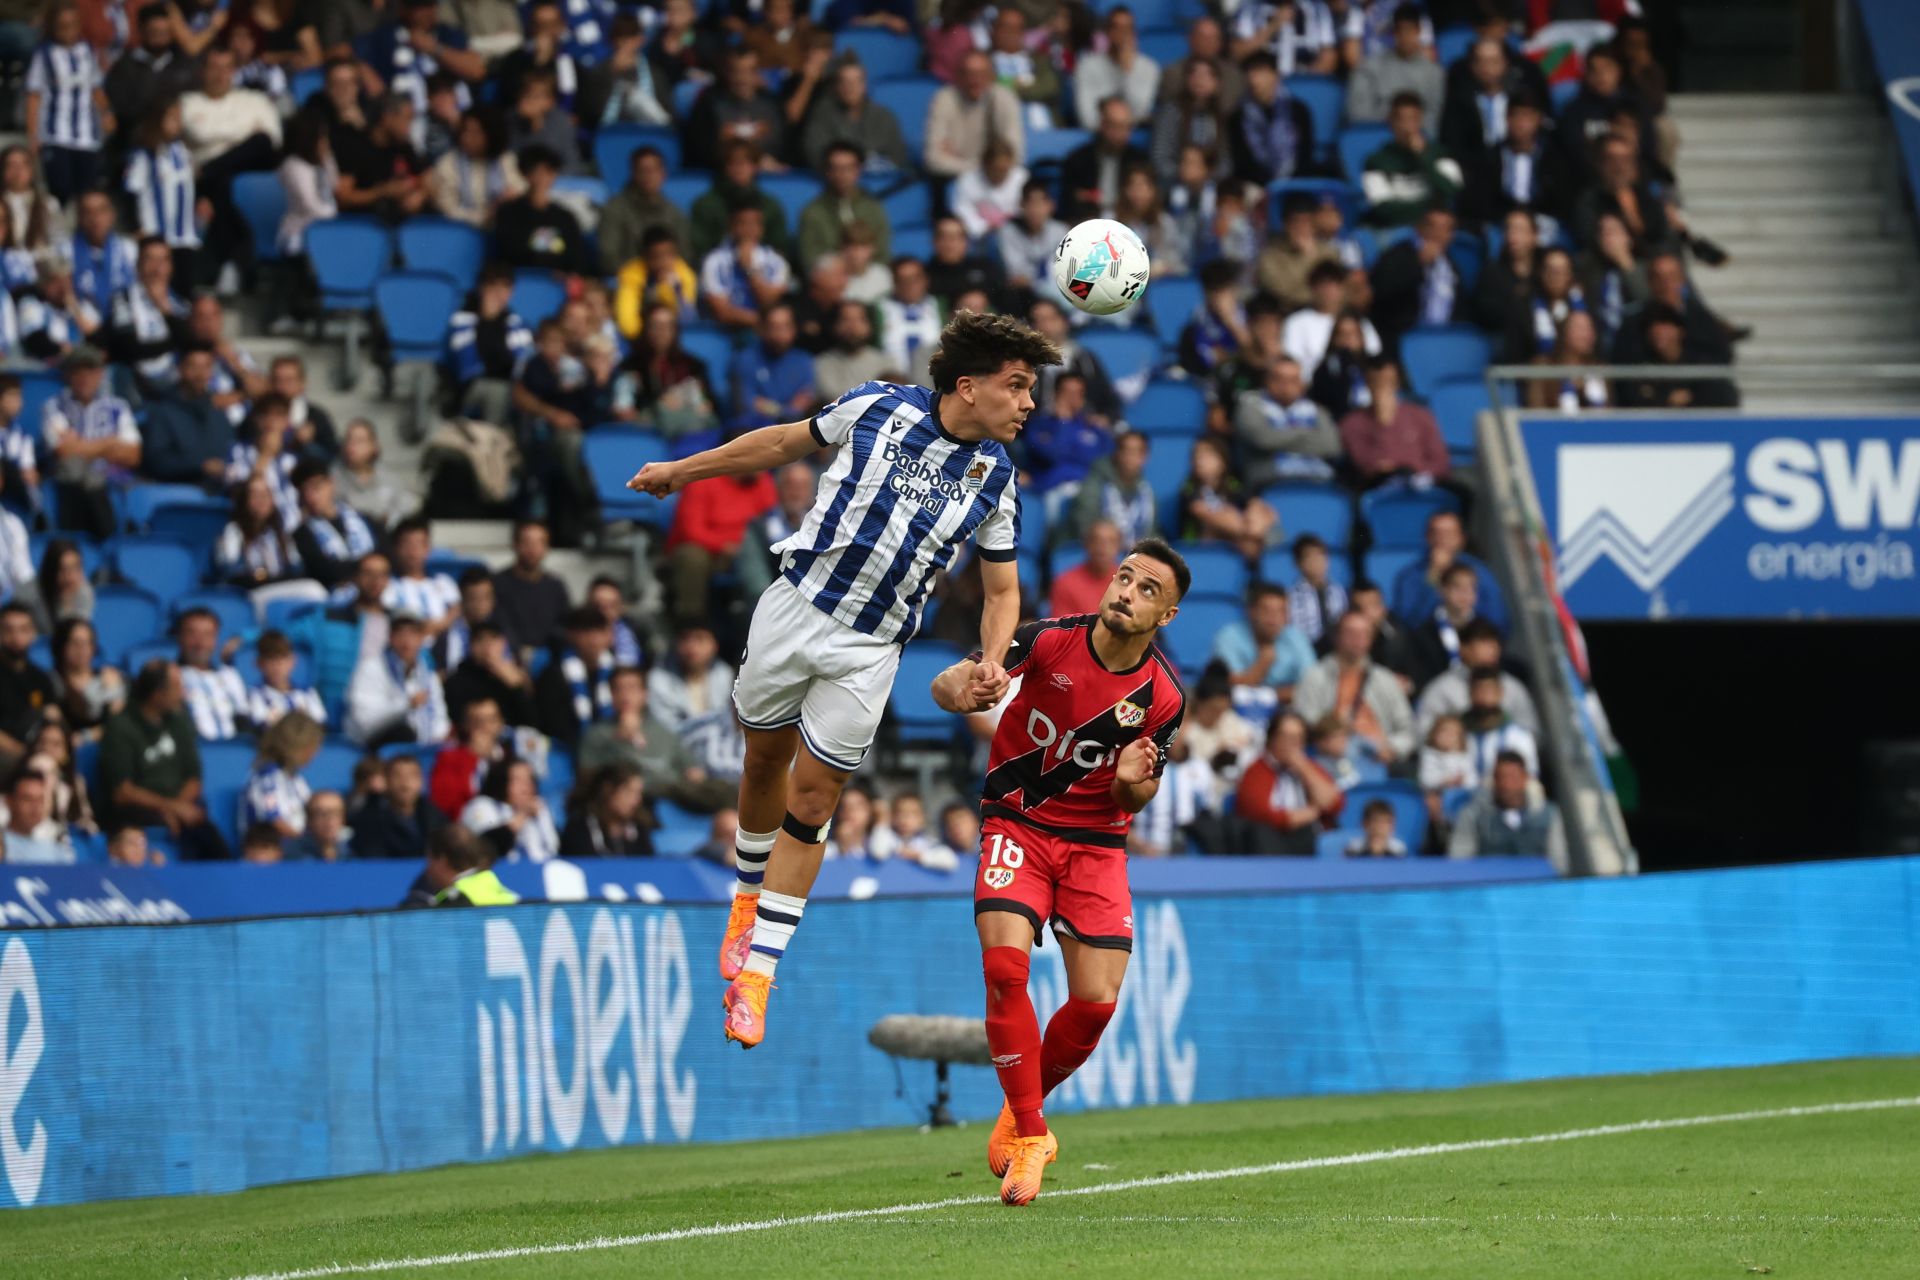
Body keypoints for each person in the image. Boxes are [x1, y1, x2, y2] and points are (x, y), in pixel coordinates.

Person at [626, 308, 1053, 1047]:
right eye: (1016, 386)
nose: (1028, 403)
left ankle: (758, 973)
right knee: (764, 759)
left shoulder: (997, 479)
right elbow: (780, 443)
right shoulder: (877, 406)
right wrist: (681, 472)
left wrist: (992, 657)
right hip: (795, 609)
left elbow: (1003, 590)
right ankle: (745, 896)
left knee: (817, 796)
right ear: (967, 385)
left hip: (873, 648)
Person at [928, 537, 1189, 1204]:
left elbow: (1138, 792)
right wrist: (960, 686)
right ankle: (1032, 1135)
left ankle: (1019, 1109)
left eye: (1147, 589)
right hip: (1017, 823)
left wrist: (1135, 783)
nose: (1126, 592)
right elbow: (953, 683)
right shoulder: (1047, 641)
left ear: (1168, 616)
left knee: (1097, 1003)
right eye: (1124, 578)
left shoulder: (1161, 698)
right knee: (1005, 969)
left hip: (1096, 845)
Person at [98, 659, 226, 858]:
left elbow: (194, 777)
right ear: (158, 694)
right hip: (137, 810)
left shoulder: (180, 719)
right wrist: (171, 808)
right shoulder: (121, 727)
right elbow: (122, 792)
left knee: (214, 842)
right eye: (177, 687)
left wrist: (176, 808)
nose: (183, 693)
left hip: (179, 804)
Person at [1293, 610, 1417, 766]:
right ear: (1336, 637)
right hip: (1330, 762)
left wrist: (1392, 748)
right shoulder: (1314, 677)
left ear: (1371, 639)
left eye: (1364, 633)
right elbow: (1304, 722)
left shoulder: (1385, 680)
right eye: (1350, 632)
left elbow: (1408, 730)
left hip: (1379, 761)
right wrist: (1329, 735)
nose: (1358, 639)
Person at [42, 344, 139, 541]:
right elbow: (63, 452)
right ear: (69, 374)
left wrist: (80, 446)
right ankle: (74, 542)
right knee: (74, 469)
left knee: (94, 479)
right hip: (71, 484)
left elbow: (134, 455)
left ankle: (109, 547)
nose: (85, 377)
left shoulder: (118, 407)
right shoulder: (54, 406)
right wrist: (110, 443)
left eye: (91, 370)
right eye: (79, 370)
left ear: (101, 374)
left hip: (112, 483)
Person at [26, 4, 112, 204]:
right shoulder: (44, 54)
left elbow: (96, 88)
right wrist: (33, 135)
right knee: (60, 189)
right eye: (62, 26)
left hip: (87, 135)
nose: (67, 31)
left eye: (72, 25)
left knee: (87, 192)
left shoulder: (88, 51)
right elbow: (34, 96)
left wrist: (106, 113)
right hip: (56, 134)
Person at [1235, 709, 1345, 855]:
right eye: (1286, 737)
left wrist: (1304, 769)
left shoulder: (1309, 766)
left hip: (1307, 837)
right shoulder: (1257, 770)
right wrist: (1312, 812)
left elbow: (1334, 803)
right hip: (1270, 840)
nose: (1292, 744)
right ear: (1272, 738)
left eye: (1298, 738)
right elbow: (1260, 814)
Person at [1337, 357, 1450, 489]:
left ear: (1398, 383)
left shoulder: (1421, 415)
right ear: (1367, 384)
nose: (1384, 387)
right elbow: (1367, 467)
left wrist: (1410, 470)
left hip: (1423, 487)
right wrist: (1383, 424)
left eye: (1389, 381)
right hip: (1380, 491)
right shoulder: (1351, 423)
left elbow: (1442, 463)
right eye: (1377, 382)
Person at [1390, 510, 1508, 633]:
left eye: (1448, 533)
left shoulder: (1479, 571)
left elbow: (1498, 619)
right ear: (1426, 537)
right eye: (1435, 532)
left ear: (1461, 539)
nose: (1441, 539)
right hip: (1428, 642)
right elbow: (1407, 622)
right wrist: (1434, 575)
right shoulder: (1410, 575)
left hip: (1470, 639)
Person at [345, 611, 449, 747]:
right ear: (390, 638)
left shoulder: (428, 675)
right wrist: (406, 705)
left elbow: (440, 717)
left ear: (421, 639)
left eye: (413, 633)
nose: (407, 640)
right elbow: (364, 720)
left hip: (422, 750)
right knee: (403, 733)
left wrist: (439, 735)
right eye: (400, 633)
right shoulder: (371, 668)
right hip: (374, 746)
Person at [1361, 92, 1461, 228]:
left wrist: (1424, 156)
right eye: (1402, 120)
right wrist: (1429, 208)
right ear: (1391, 122)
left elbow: (1452, 190)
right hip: (1395, 228)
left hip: (1435, 228)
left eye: (1414, 119)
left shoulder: (1439, 154)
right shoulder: (1376, 161)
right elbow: (1383, 208)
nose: (1407, 126)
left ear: (1421, 120)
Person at [1448, 749, 1565, 863]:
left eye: (1513, 777)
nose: (1506, 785)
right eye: (1501, 778)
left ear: (1525, 778)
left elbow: (1559, 860)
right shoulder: (1473, 815)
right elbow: (1460, 861)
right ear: (1494, 780)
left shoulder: (1549, 815)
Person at [925, 50, 1025, 180]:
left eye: (981, 74)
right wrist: (989, 165)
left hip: (997, 180)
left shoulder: (1005, 98)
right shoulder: (943, 99)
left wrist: (954, 160)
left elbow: (1016, 157)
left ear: (992, 76)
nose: (976, 80)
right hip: (954, 180)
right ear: (958, 77)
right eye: (969, 74)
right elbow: (932, 160)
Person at [1177, 435, 1276, 558]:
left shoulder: (1232, 485)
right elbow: (1205, 515)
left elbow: (1260, 508)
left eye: (1207, 455)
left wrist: (1255, 519)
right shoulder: (1189, 488)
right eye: (1196, 456)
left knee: (1258, 512)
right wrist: (1248, 531)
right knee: (1228, 516)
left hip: (1235, 539)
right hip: (1199, 544)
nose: (1199, 460)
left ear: (1222, 462)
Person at [1213, 582, 1316, 695]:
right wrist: (1263, 664)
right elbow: (1232, 690)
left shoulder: (1296, 637)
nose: (1273, 619)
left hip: (1289, 707)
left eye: (1281, 612)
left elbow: (1312, 686)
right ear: (1251, 612)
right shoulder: (1229, 636)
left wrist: (1269, 695)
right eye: (1266, 611)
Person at [240, 710, 322, 845]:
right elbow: (274, 823)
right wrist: (309, 843)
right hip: (272, 851)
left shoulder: (295, 779)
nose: (316, 752)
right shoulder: (266, 778)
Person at [1066, 430, 1158, 548]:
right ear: (1117, 453)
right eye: (1126, 451)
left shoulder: (1146, 492)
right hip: (1098, 556)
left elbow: (1152, 532)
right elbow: (1084, 527)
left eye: (1136, 452)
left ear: (1145, 457)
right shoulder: (1094, 484)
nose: (1130, 458)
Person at [491, 520, 570, 658]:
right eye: (526, 542)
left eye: (539, 543)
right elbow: (498, 625)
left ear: (547, 547)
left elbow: (564, 625)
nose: (532, 549)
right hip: (505, 658)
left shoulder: (556, 586)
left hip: (549, 661)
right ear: (515, 544)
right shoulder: (497, 584)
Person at [461, 757, 559, 863]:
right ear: (501, 781)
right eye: (518, 780)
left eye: (530, 779)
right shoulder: (481, 806)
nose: (526, 786)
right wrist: (522, 816)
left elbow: (552, 849)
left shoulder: (540, 808)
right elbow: (486, 848)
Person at [351, 752, 447, 858]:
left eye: (412, 776)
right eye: (397, 776)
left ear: (421, 782)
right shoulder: (368, 820)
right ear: (386, 781)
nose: (405, 783)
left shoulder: (436, 818)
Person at [1075, 6, 1160, 127]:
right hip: (1097, 136)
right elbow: (1087, 118)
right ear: (1107, 32)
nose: (1122, 34)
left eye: (1127, 29)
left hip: (1130, 137)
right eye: (1116, 28)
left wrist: (1127, 72)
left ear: (1134, 33)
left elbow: (1139, 113)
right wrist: (1114, 128)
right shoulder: (1087, 65)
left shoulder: (1149, 68)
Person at [400, 823, 519, 907]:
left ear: (442, 860)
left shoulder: (451, 904)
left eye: (430, 860)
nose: (427, 869)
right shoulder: (508, 895)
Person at [176, 605, 249, 741]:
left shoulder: (230, 676)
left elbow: (243, 721)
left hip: (233, 754)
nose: (200, 643)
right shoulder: (171, 677)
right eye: (192, 634)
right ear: (180, 637)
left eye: (207, 635)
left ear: (216, 639)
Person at [47, 616, 123, 737]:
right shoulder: (51, 682)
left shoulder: (108, 677)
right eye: (75, 643)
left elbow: (121, 724)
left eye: (87, 643)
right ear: (61, 646)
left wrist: (114, 693)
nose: (82, 650)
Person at [560, 763, 655, 858]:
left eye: (638, 793)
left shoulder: (638, 829)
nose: (637, 800)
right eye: (629, 791)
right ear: (607, 791)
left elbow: (648, 865)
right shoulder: (580, 828)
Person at [1287, 533, 1349, 650]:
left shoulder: (1339, 592)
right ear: (1297, 563)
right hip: (1306, 651)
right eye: (1310, 556)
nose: (1317, 561)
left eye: (1321, 555)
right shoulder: (1291, 597)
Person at [1047, 519, 1121, 617]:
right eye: (1097, 540)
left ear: (1119, 547)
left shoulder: (1128, 585)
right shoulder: (1065, 583)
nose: (1103, 546)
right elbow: (1060, 630)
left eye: (1110, 541)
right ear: (1087, 544)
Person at [2, 765, 68, 864]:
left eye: (40, 800)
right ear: (9, 801)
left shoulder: (55, 850)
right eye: (27, 799)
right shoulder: (2, 845)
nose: (35, 807)